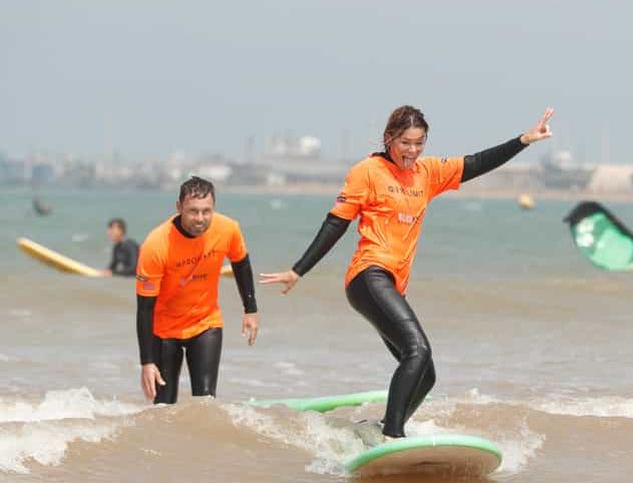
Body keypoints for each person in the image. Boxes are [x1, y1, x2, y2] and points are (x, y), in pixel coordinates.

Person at [261, 105, 554, 439]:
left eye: (419, 143)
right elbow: (336, 223)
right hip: (368, 275)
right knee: (418, 352)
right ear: (389, 139)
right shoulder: (367, 172)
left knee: (424, 375)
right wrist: (299, 270)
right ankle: (393, 436)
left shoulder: (426, 173)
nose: (412, 151)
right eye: (405, 143)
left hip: (392, 284)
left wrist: (524, 140)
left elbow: (476, 163)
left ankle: (382, 429)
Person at [135, 176, 260, 404]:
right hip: (164, 330)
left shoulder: (228, 229)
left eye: (206, 211)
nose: (200, 219)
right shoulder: (156, 245)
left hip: (205, 324)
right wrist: (147, 362)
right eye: (193, 211)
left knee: (205, 403)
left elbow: (241, 264)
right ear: (179, 208)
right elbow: (144, 307)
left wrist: (250, 309)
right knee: (163, 407)